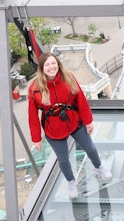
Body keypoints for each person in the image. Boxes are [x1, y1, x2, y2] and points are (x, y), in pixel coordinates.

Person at [29, 52, 110, 199]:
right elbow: (32, 115)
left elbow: (80, 99)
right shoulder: (35, 88)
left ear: (58, 64)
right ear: (42, 68)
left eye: (53, 63)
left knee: (90, 148)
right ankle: (71, 182)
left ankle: (98, 167)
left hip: (73, 120)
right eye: (47, 64)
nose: (51, 67)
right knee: (63, 159)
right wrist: (36, 138)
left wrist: (88, 121)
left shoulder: (68, 77)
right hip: (53, 128)